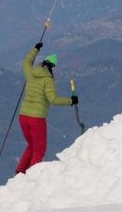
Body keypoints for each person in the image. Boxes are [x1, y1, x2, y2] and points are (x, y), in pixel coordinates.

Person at [15, 42, 78, 174]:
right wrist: (71, 101)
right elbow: (53, 99)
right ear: (52, 67)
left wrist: (35, 49)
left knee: (31, 146)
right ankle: (32, 177)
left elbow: (26, 62)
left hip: (23, 116)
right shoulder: (48, 79)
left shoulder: (31, 72)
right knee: (39, 149)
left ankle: (20, 172)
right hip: (36, 119)